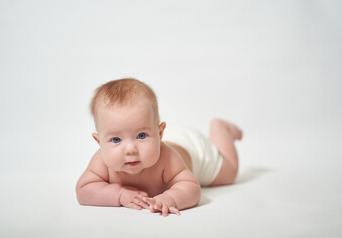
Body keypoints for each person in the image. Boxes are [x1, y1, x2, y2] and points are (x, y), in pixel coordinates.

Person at [76, 78, 243, 216]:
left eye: (141, 136)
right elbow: (84, 190)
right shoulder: (102, 161)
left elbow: (192, 187)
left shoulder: (168, 159)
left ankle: (221, 130)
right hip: (165, 139)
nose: (130, 149)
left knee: (228, 174)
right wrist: (119, 194)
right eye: (116, 140)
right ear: (99, 142)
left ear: (160, 132)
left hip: (193, 149)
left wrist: (171, 198)